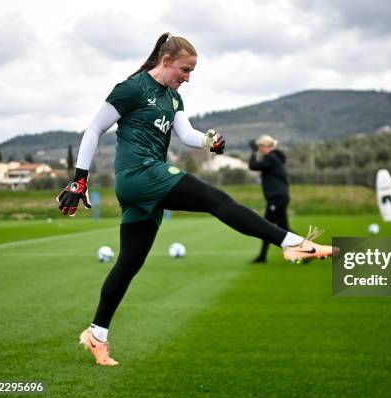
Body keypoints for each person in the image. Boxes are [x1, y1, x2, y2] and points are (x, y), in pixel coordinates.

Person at [56, 33, 336, 366]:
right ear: (166, 60)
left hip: (144, 187)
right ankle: (292, 243)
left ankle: (96, 335)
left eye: (191, 72)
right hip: (140, 175)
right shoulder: (131, 89)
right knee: (217, 200)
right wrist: (79, 178)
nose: (187, 78)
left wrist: (207, 141)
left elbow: (185, 133)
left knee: (129, 263)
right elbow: (93, 130)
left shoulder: (173, 98)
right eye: (184, 70)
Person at [248, 135, 291, 263]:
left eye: (261, 146)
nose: (259, 149)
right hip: (278, 198)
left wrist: (253, 152)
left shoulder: (271, 158)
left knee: (283, 227)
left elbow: (253, 165)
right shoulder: (274, 157)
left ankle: (308, 250)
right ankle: (262, 256)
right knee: (266, 227)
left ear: (267, 146)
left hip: (276, 198)